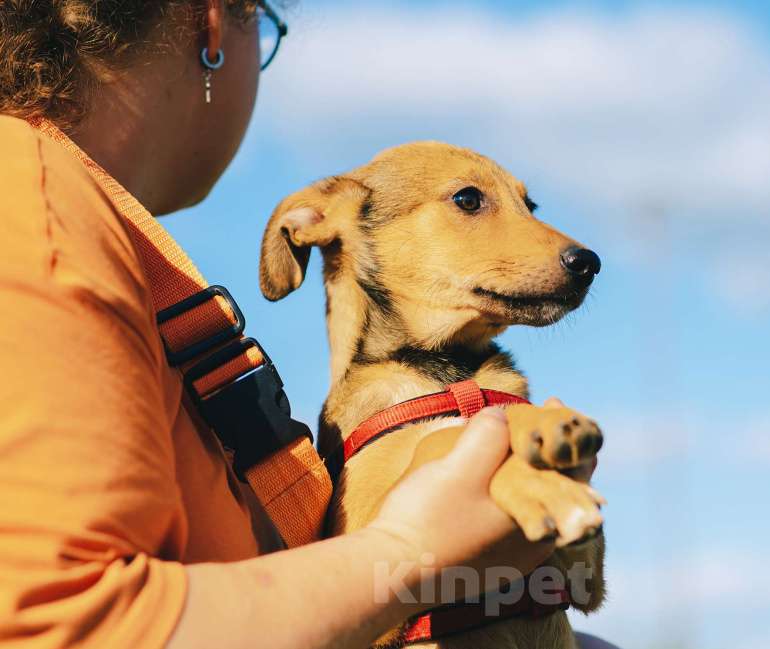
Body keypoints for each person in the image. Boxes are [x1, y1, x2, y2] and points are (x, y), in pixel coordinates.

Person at [0, 1, 612, 647]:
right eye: (263, 21)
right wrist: (411, 550)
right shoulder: (35, 207)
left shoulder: (103, 236)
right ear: (213, 22)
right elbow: (71, 623)